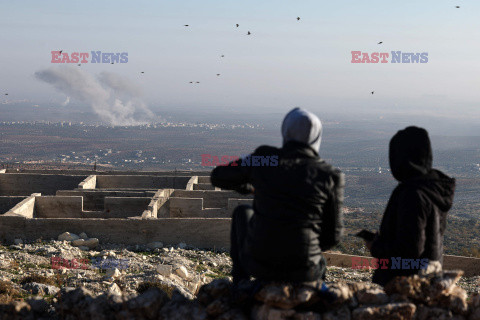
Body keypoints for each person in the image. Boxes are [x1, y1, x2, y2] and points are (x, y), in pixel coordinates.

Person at [210, 107, 344, 285]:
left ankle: (240, 284)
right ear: (317, 137)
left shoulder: (266, 158)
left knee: (243, 212)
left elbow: (219, 176)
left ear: (286, 130)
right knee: (317, 254)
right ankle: (314, 294)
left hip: (260, 264)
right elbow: (333, 236)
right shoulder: (330, 175)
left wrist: (250, 188)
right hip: (305, 269)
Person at [365, 126, 456, 286]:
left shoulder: (412, 193)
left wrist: (376, 246)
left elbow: (410, 249)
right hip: (428, 279)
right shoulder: (433, 188)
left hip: (404, 285)